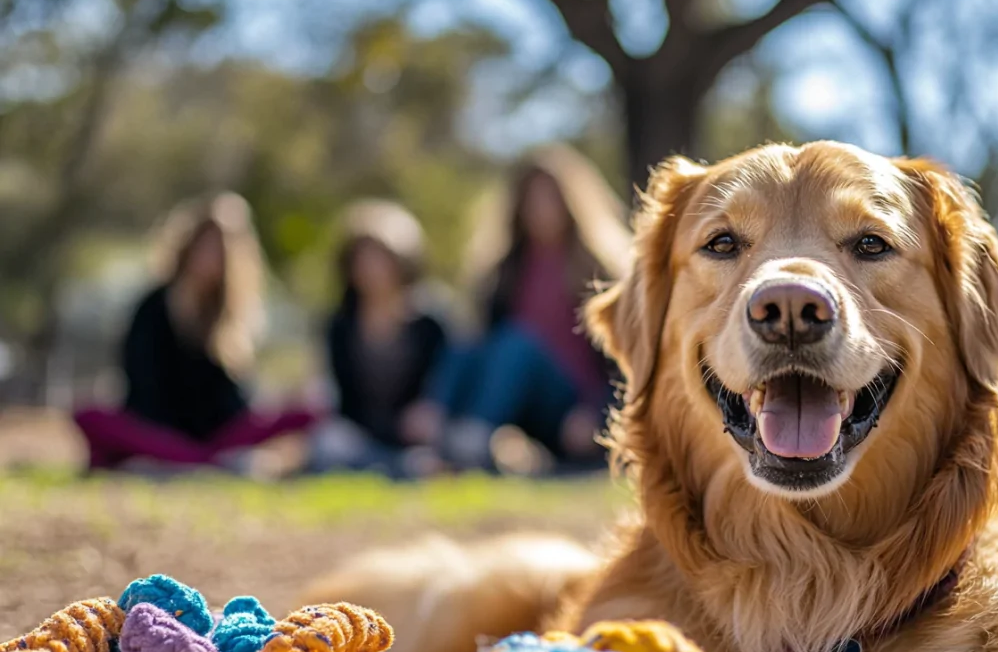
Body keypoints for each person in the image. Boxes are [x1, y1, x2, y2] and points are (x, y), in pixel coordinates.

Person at [406, 144, 631, 473]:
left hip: (575, 406)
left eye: (550, 198)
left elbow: (629, 360)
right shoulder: (503, 272)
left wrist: (599, 414)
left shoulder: (601, 269)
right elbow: (473, 346)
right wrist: (438, 399)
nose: (541, 210)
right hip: (522, 404)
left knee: (518, 343)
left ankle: (472, 436)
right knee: (471, 342)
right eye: (532, 200)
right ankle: (440, 425)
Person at [74, 192, 317, 475]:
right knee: (90, 417)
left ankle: (194, 460)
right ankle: (199, 461)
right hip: (158, 430)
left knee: (305, 412)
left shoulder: (231, 316)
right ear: (187, 248)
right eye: (204, 246)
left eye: (218, 250)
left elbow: (232, 400)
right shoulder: (154, 305)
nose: (209, 257)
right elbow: (141, 382)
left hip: (213, 436)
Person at [307, 200, 450, 475]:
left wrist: (433, 408)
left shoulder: (430, 325)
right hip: (355, 437)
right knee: (329, 444)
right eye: (361, 259)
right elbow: (332, 396)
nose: (370, 269)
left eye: (379, 258)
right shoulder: (339, 326)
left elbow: (444, 384)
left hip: (415, 438)